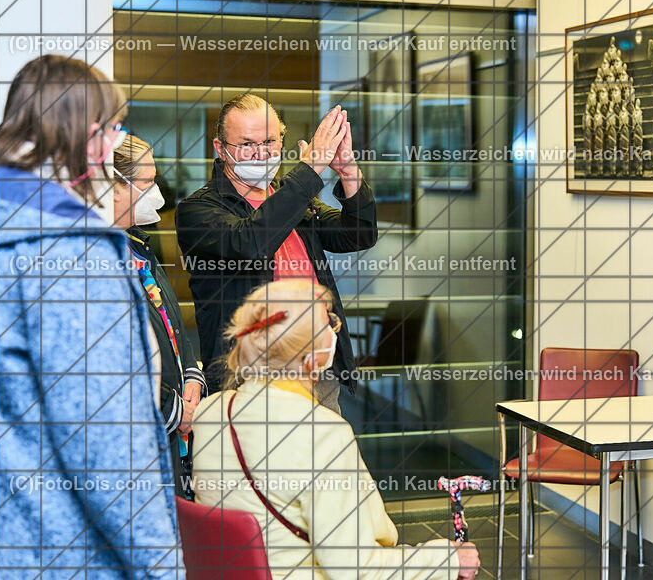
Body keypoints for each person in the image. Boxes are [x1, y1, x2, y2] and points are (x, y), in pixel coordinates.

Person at [0, 55, 181, 576]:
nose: (117, 142)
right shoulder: (72, 252)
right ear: (93, 138)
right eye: (116, 128)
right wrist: (162, 568)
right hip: (63, 552)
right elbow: (109, 447)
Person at [191, 279, 480, 580]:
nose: (335, 330)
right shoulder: (324, 433)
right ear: (312, 358)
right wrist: (446, 560)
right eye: (327, 324)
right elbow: (354, 570)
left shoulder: (211, 411)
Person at [176, 93, 378, 408]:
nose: (260, 154)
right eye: (246, 144)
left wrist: (349, 173)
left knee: (324, 455)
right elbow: (250, 244)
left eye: (270, 141)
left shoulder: (293, 199)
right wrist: (309, 170)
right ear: (220, 149)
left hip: (316, 369)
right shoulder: (199, 209)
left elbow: (357, 235)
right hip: (247, 376)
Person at [114, 133, 206, 499]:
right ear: (113, 186)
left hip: (175, 426)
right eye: (147, 182)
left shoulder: (139, 248)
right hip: (140, 441)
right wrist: (173, 409)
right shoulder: (95, 261)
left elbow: (172, 324)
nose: (158, 193)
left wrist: (193, 376)